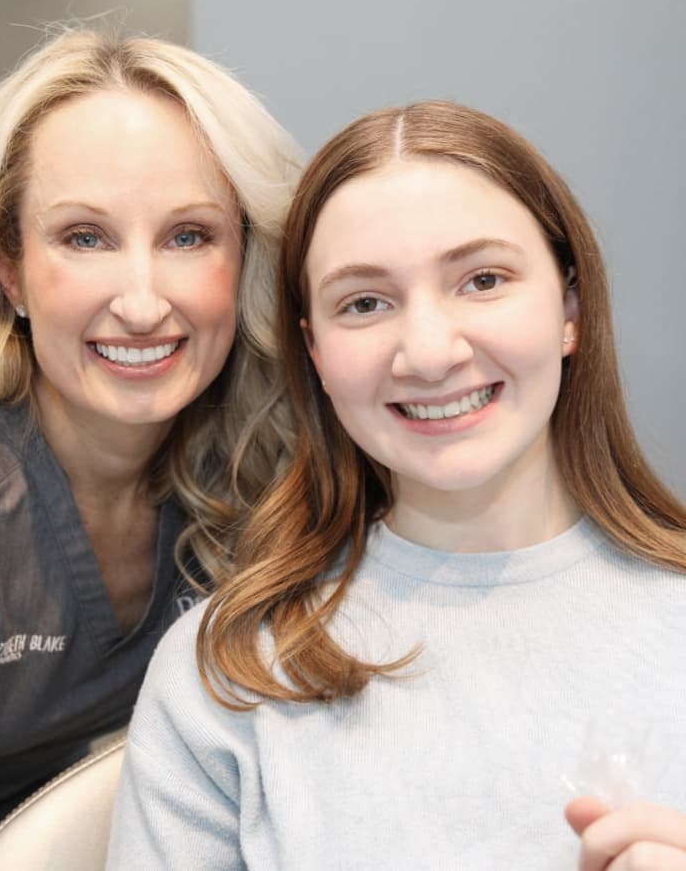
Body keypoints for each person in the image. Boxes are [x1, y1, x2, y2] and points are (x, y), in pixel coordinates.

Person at [108, 101, 686, 870]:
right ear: (313, 351)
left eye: (482, 280)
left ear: (569, 308)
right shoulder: (226, 675)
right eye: (365, 303)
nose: (428, 351)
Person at [0, 27, 301, 870]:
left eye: (189, 236)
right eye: (84, 237)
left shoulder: (270, 468)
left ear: (245, 253)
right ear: (9, 270)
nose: (142, 302)